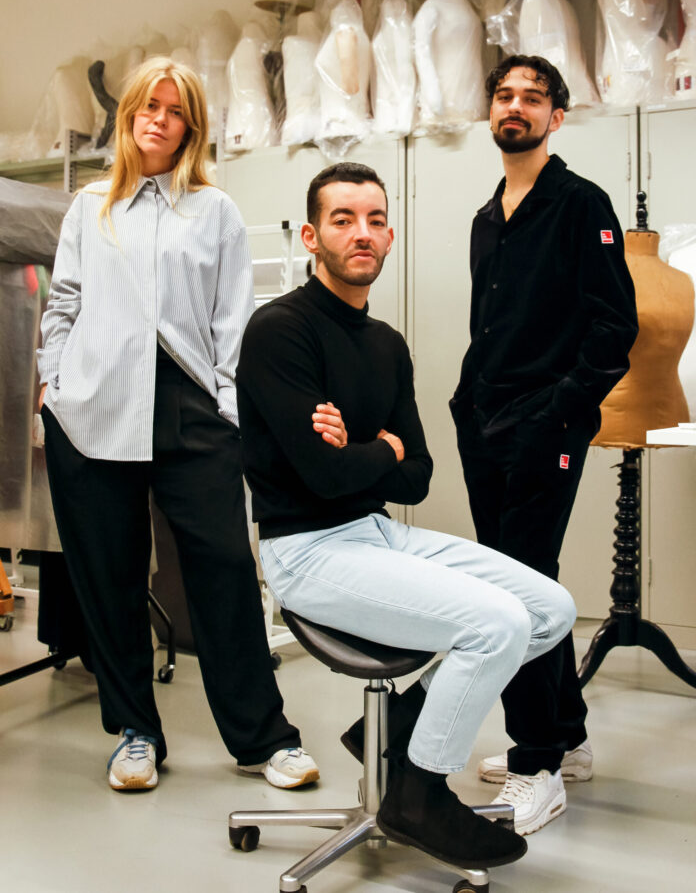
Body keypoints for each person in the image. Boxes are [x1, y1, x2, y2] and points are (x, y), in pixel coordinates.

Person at [236, 161, 578, 869]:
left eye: (374, 219)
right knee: (497, 624)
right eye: (342, 219)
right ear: (310, 235)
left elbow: (417, 477)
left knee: (549, 607)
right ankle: (418, 793)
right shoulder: (279, 332)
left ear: (390, 236)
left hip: (378, 533)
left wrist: (368, 451)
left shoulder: (386, 344)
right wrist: (382, 448)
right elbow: (321, 477)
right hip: (306, 551)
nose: (361, 233)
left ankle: (391, 729)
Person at [37, 57, 318, 793]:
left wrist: (229, 408)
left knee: (223, 571)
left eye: (172, 109)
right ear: (129, 114)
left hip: (192, 406)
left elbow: (233, 317)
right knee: (111, 577)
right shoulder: (90, 206)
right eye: (145, 106)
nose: (156, 119)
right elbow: (63, 303)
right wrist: (55, 388)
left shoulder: (213, 210)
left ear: (190, 125)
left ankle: (264, 738)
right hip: (94, 407)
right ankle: (135, 733)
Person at [449, 54, 638, 834]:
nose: (515, 107)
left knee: (516, 595)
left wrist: (556, 414)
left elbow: (614, 329)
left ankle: (535, 763)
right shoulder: (488, 213)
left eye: (533, 97)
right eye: (504, 95)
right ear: (490, 113)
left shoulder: (579, 203)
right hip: (484, 423)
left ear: (557, 117)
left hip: (542, 427)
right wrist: (469, 401)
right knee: (523, 584)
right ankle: (570, 737)